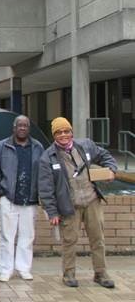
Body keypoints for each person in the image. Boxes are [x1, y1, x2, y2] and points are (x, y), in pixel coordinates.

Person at [39, 117, 117, 288]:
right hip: (69, 205)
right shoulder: (48, 157)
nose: (63, 135)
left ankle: (101, 273)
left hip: (92, 201)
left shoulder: (86, 145)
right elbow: (45, 189)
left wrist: (111, 169)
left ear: (71, 132)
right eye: (59, 132)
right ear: (54, 135)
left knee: (98, 239)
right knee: (69, 241)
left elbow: (105, 155)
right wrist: (52, 212)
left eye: (66, 131)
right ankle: (69, 274)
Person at [0, 115, 43, 282]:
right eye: (19, 125)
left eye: (25, 125)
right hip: (9, 198)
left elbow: (42, 173)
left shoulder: (37, 147)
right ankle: (6, 269)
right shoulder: (3, 146)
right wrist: (1, 191)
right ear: (13, 128)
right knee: (7, 236)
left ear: (29, 128)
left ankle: (24, 268)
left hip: (29, 199)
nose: (22, 128)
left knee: (27, 236)